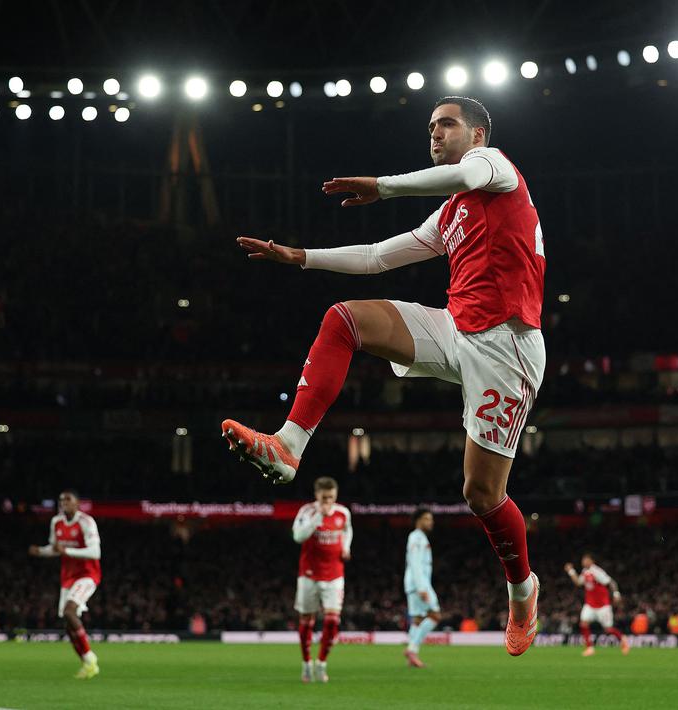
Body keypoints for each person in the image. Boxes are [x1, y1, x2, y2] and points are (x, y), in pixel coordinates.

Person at [223, 95, 546, 656]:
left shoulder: (494, 166)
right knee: (344, 319)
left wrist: (383, 185)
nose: (434, 133)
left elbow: (463, 171)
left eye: (446, 125)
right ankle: (288, 446)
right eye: (430, 127)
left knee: (480, 492)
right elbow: (376, 257)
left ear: (477, 134)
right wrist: (299, 257)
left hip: (508, 348)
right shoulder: (450, 214)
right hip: (457, 328)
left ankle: (523, 589)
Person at [27, 489, 101, 679]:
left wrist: (67, 550)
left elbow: (95, 553)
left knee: (70, 611)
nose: (64, 502)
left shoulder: (86, 522)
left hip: (87, 575)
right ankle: (87, 662)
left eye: (68, 499)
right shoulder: (56, 522)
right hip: (67, 577)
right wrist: (41, 552)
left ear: (77, 503)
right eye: (61, 500)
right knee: (68, 623)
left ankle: (91, 658)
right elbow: (55, 549)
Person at [292, 477, 353, 683]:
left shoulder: (343, 513)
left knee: (332, 620)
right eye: (324, 497)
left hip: (334, 574)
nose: (328, 501)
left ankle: (321, 663)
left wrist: (346, 547)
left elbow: (347, 530)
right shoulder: (307, 512)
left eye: (331, 497)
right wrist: (318, 516)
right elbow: (298, 537)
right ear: (316, 495)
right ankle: (306, 663)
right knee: (307, 621)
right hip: (309, 574)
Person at [565, 554, 630, 657]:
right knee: (583, 624)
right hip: (590, 605)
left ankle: (622, 639)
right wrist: (571, 571)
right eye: (583, 560)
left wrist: (616, 594)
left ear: (592, 561)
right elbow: (578, 582)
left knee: (608, 629)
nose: (584, 562)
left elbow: (611, 582)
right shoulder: (585, 572)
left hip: (603, 606)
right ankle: (590, 648)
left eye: (586, 560)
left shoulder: (597, 572)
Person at [404, 508, 440, 668]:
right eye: (427, 519)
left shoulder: (418, 538)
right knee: (435, 616)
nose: (430, 522)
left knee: (418, 619)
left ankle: (411, 655)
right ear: (418, 520)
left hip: (414, 583)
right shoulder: (417, 538)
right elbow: (416, 563)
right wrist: (421, 587)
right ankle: (412, 649)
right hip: (419, 584)